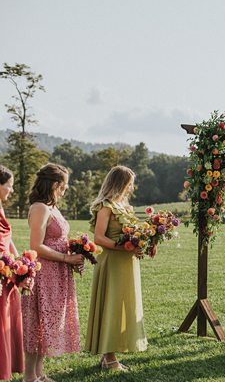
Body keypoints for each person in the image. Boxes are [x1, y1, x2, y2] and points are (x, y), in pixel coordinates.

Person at [22, 164, 84, 382]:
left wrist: (76, 253)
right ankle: (29, 376)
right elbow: (36, 246)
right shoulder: (40, 208)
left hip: (58, 274)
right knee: (36, 323)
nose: (66, 188)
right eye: (65, 184)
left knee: (46, 324)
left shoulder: (53, 207)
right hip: (43, 274)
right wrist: (67, 258)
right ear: (56, 184)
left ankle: (39, 373)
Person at [85, 165, 147, 371]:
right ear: (120, 183)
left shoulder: (124, 206)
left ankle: (108, 355)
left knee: (122, 306)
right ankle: (109, 356)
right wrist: (123, 247)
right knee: (111, 305)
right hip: (111, 262)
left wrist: (139, 245)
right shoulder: (106, 206)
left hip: (126, 263)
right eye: (129, 183)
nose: (131, 187)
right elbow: (99, 238)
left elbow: (132, 234)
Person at [0, 166, 25, 381]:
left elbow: (8, 239)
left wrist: (20, 264)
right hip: (0, 273)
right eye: (9, 185)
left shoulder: (1, 206)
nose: (12, 189)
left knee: (8, 320)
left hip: (8, 271)